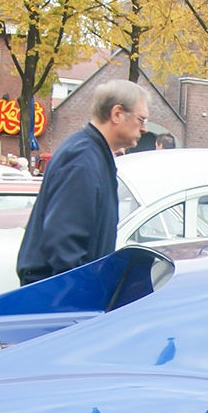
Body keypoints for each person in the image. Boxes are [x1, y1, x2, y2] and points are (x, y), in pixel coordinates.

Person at [17, 80, 148, 284]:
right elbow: (64, 242)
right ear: (117, 114)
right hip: (58, 296)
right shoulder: (83, 159)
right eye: (141, 119)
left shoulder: (90, 153)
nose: (144, 129)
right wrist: (83, 293)